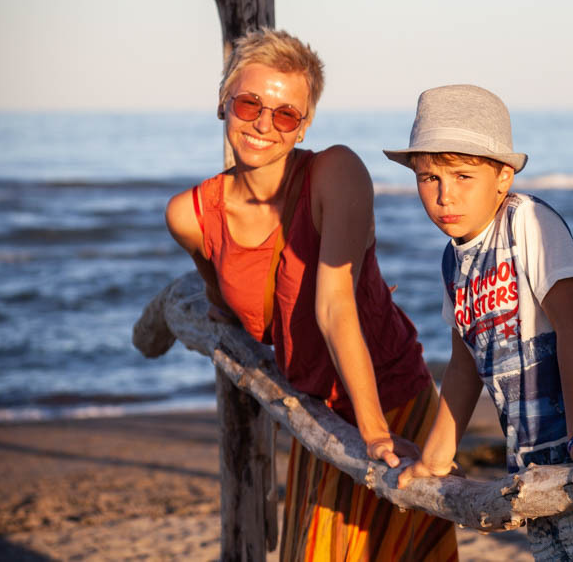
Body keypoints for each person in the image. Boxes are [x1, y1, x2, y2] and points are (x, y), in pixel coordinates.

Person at [164, 29, 458, 561]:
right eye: (250, 103)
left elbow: (333, 305)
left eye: (285, 114)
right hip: (317, 414)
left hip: (388, 403)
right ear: (223, 104)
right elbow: (217, 289)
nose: (263, 124)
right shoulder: (190, 215)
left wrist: (375, 436)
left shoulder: (335, 173)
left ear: (303, 128)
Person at [388, 84, 573, 560]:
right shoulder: (454, 263)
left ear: (501, 177)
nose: (444, 194)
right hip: (535, 466)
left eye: (462, 176)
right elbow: (463, 365)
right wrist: (435, 458)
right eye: (429, 178)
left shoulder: (529, 223)